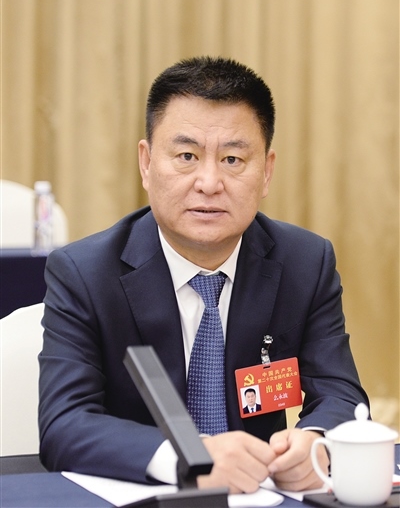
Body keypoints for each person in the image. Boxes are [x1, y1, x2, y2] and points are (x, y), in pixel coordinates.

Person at [38, 56, 369, 494]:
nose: (209, 182)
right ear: (146, 163)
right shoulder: (84, 273)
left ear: (266, 171)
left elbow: (341, 393)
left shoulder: (305, 263)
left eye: (233, 159)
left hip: (259, 494)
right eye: (187, 156)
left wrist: (316, 442)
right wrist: (190, 458)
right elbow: (64, 424)